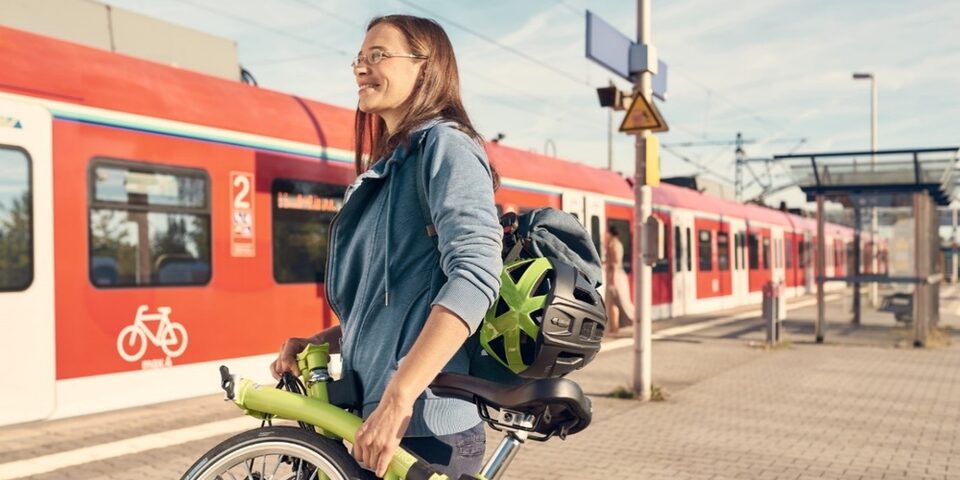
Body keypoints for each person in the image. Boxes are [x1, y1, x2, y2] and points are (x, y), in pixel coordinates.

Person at [270, 15, 503, 479]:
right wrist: (322, 342)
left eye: (378, 55)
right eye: (359, 58)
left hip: (423, 429)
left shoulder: (447, 147)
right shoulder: (392, 166)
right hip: (372, 418)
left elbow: (476, 275)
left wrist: (400, 398)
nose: (361, 68)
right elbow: (390, 305)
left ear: (426, 67)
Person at [604, 226, 634, 335]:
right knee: (613, 303)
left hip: (615, 277)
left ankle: (635, 320)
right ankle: (614, 328)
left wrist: (612, 281)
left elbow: (615, 264)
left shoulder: (614, 245)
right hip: (615, 276)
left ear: (610, 233)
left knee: (622, 303)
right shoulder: (616, 244)